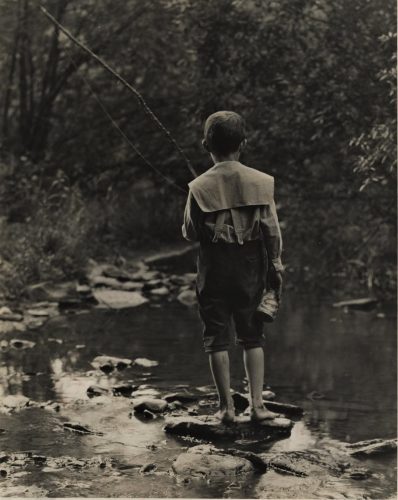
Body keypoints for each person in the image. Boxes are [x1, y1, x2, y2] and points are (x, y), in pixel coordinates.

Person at [182, 111, 283, 424]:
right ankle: (258, 406)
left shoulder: (198, 186)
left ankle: (226, 409)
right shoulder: (261, 183)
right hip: (250, 266)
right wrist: (275, 264)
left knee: (216, 336)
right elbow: (271, 230)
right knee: (252, 335)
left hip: (213, 268)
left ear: (206, 145)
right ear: (244, 144)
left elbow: (189, 231)